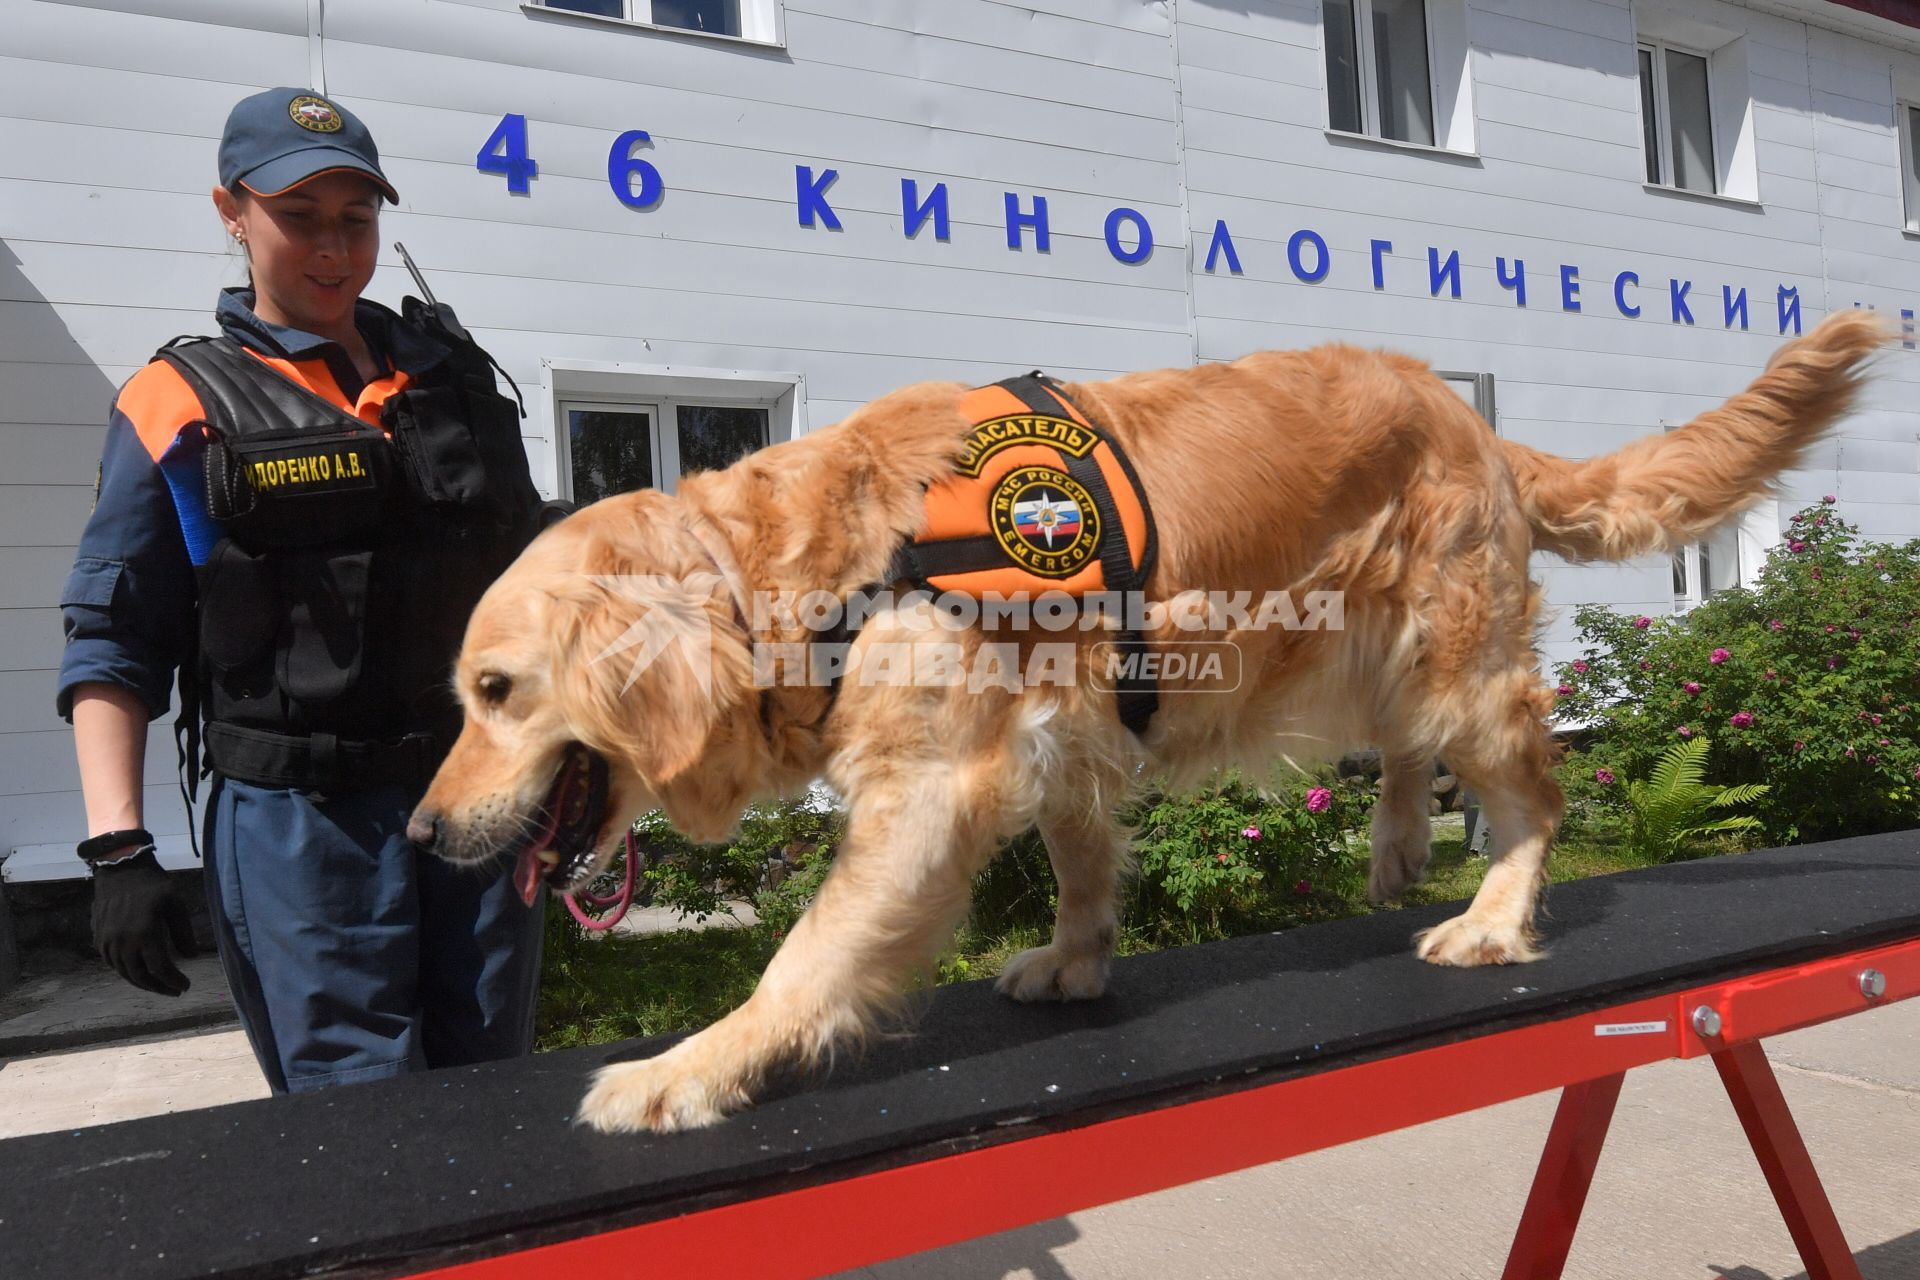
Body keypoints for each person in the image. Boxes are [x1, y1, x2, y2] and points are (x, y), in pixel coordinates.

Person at [57, 88, 552, 1094]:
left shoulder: (448, 378)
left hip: (477, 795)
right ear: (231, 212)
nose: (334, 249)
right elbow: (114, 637)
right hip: (303, 823)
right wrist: (118, 848)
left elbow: (529, 585)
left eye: (357, 220)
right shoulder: (178, 402)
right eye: (301, 218)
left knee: (497, 1095)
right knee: (357, 1125)